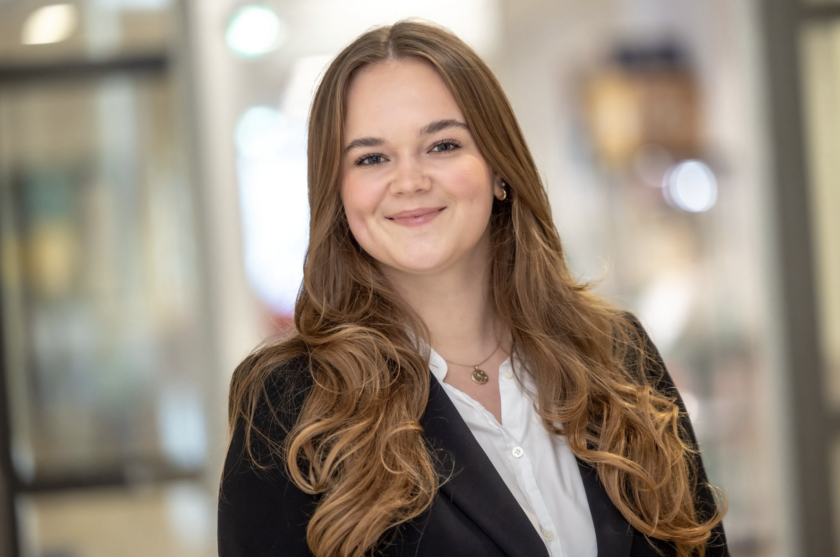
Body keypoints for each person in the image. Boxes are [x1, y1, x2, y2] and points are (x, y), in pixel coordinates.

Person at [218, 19, 728, 557]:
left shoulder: (617, 352)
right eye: (371, 158)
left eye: (442, 145)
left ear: (498, 167)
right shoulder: (291, 403)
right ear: (337, 192)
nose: (409, 181)